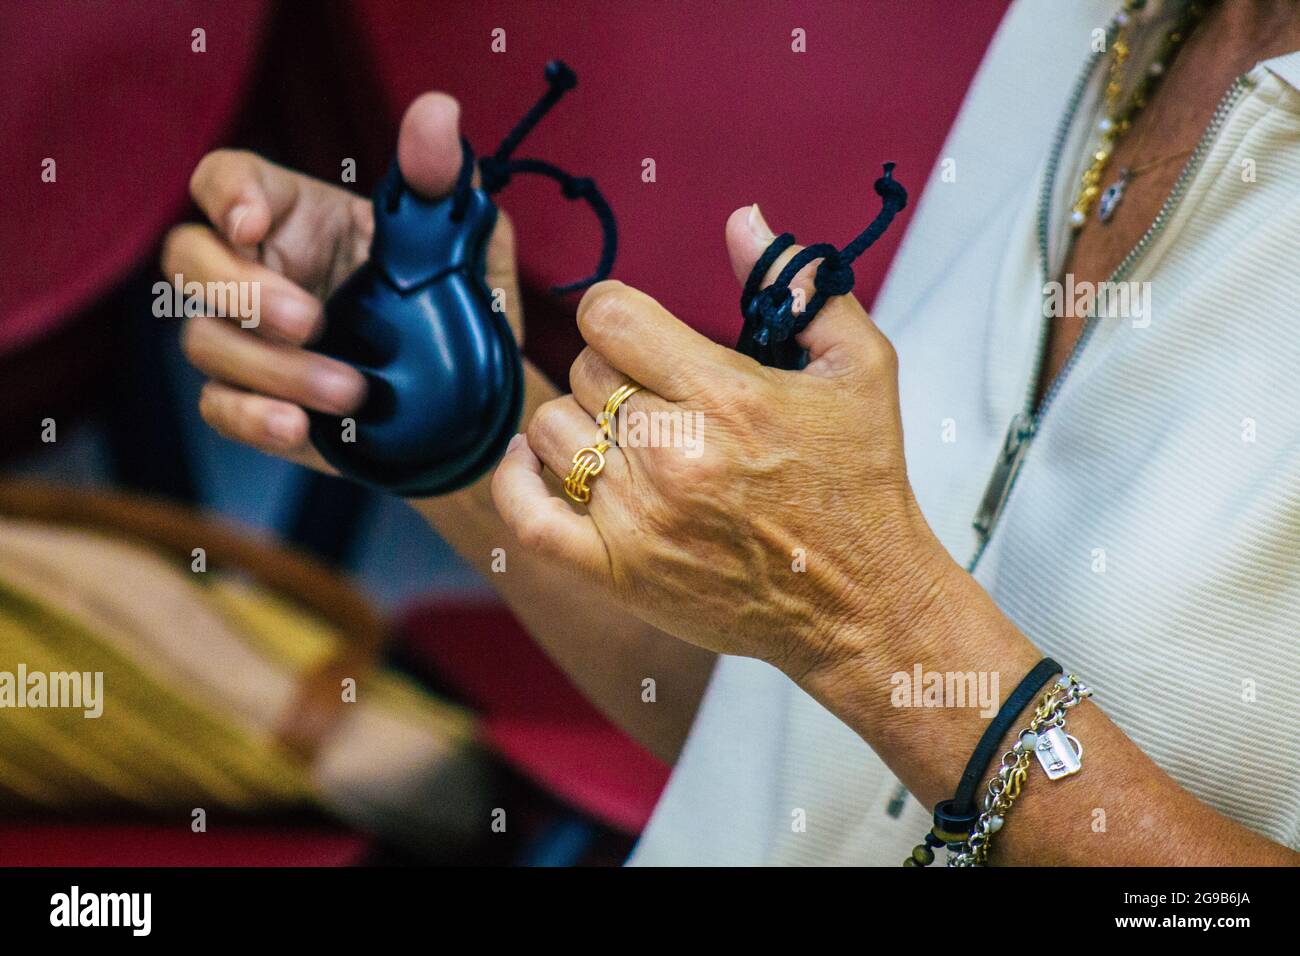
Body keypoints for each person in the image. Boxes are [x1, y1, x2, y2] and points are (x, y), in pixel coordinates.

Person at [164, 0, 1300, 865]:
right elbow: (792, 740)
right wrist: (472, 430)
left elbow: (875, 654)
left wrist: (886, 634)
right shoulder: (1094, 27)